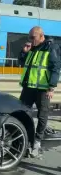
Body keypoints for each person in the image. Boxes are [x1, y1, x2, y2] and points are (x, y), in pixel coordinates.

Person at [18, 26, 61, 156]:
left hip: (43, 90)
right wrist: (24, 52)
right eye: (29, 37)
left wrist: (51, 87)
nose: (30, 40)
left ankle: (37, 142)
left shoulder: (51, 47)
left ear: (41, 36)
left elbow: (55, 68)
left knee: (42, 116)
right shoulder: (32, 48)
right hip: (29, 88)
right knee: (21, 113)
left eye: (33, 37)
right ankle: (23, 138)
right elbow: (22, 63)